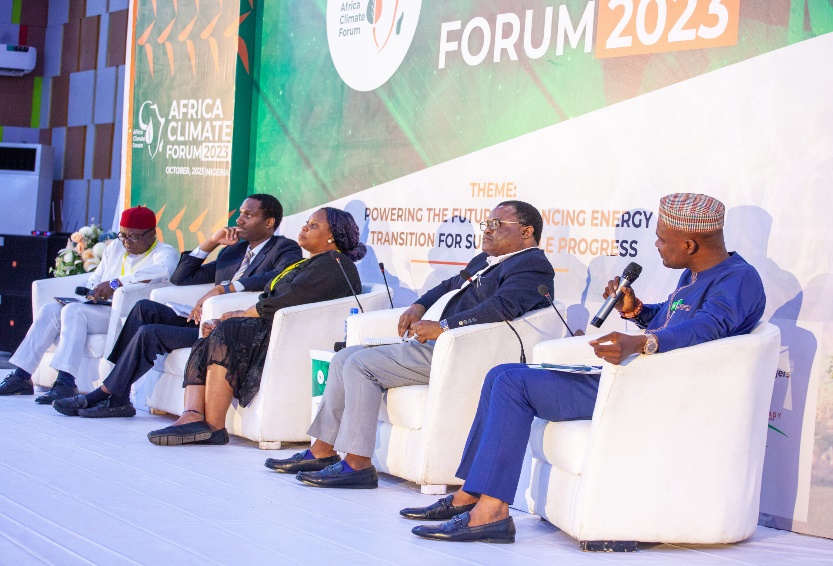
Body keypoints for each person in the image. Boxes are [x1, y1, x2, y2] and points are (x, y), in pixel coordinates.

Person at [403, 193, 767, 544]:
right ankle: (470, 495)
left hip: (653, 392)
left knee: (513, 381)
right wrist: (637, 310)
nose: (655, 245)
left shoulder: (738, 279)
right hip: (635, 380)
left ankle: (491, 513)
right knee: (502, 373)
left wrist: (641, 342)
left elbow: (706, 328)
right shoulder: (696, 273)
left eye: (661, 238)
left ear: (689, 245)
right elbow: (675, 320)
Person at [264, 200, 556, 490]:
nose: (487, 230)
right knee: (343, 358)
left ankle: (357, 465)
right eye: (486, 224)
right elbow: (448, 285)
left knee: (360, 365)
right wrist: (419, 305)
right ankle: (321, 451)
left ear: (526, 231)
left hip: (463, 353)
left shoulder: (532, 265)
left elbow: (502, 308)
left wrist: (443, 327)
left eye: (496, 224)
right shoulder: (485, 259)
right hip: (443, 346)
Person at [52, 194, 302, 418]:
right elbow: (181, 278)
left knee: (150, 333)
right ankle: (119, 396)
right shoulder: (233, 252)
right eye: (240, 213)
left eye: (248, 215)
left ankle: (107, 395)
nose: (239, 220)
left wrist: (225, 288)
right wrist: (211, 243)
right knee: (144, 308)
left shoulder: (284, 247)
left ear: (269, 222)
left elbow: (281, 277)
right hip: (202, 320)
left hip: (229, 326)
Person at [145, 207, 366, 446]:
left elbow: (290, 299)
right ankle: (192, 415)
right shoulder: (308, 263)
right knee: (210, 332)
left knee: (227, 331)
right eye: (306, 222)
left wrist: (240, 316)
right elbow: (272, 298)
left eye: (314, 226)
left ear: (332, 236)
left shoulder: (334, 263)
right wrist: (230, 318)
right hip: (274, 325)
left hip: (290, 336)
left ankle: (214, 427)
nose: (304, 228)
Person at [0, 206, 178, 403]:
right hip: (99, 308)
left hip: (126, 316)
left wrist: (116, 284)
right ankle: (22, 376)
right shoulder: (116, 247)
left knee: (74, 311)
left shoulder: (165, 252)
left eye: (134, 236)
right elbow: (96, 277)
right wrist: (93, 291)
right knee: (50, 310)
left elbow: (162, 271)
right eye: (123, 235)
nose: (127, 241)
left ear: (152, 233)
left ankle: (66, 382)